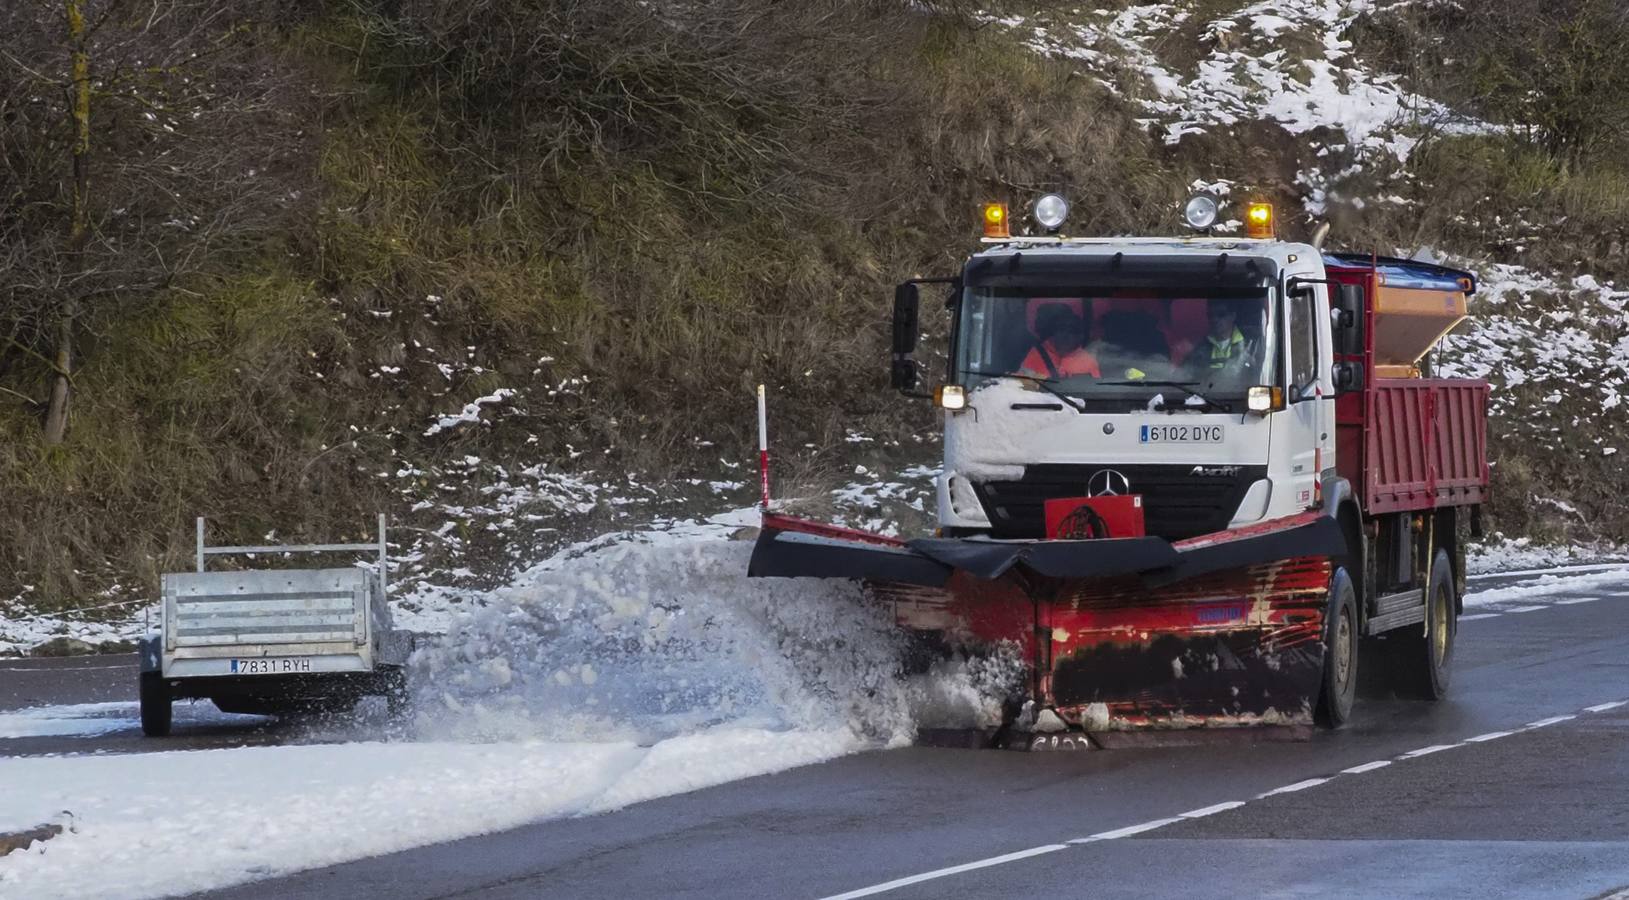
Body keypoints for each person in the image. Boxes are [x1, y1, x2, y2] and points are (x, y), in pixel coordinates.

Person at [1020, 305, 1100, 379]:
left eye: (1071, 331)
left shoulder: (1088, 361)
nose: (1065, 335)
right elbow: (1020, 389)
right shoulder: (1034, 355)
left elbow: (1095, 391)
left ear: (1079, 337)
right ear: (1053, 333)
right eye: (1061, 329)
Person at [1186, 299, 1254, 381]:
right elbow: (1187, 377)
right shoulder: (1199, 348)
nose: (1214, 319)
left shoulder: (1251, 345)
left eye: (1221, 314)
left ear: (1233, 316)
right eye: (1211, 315)